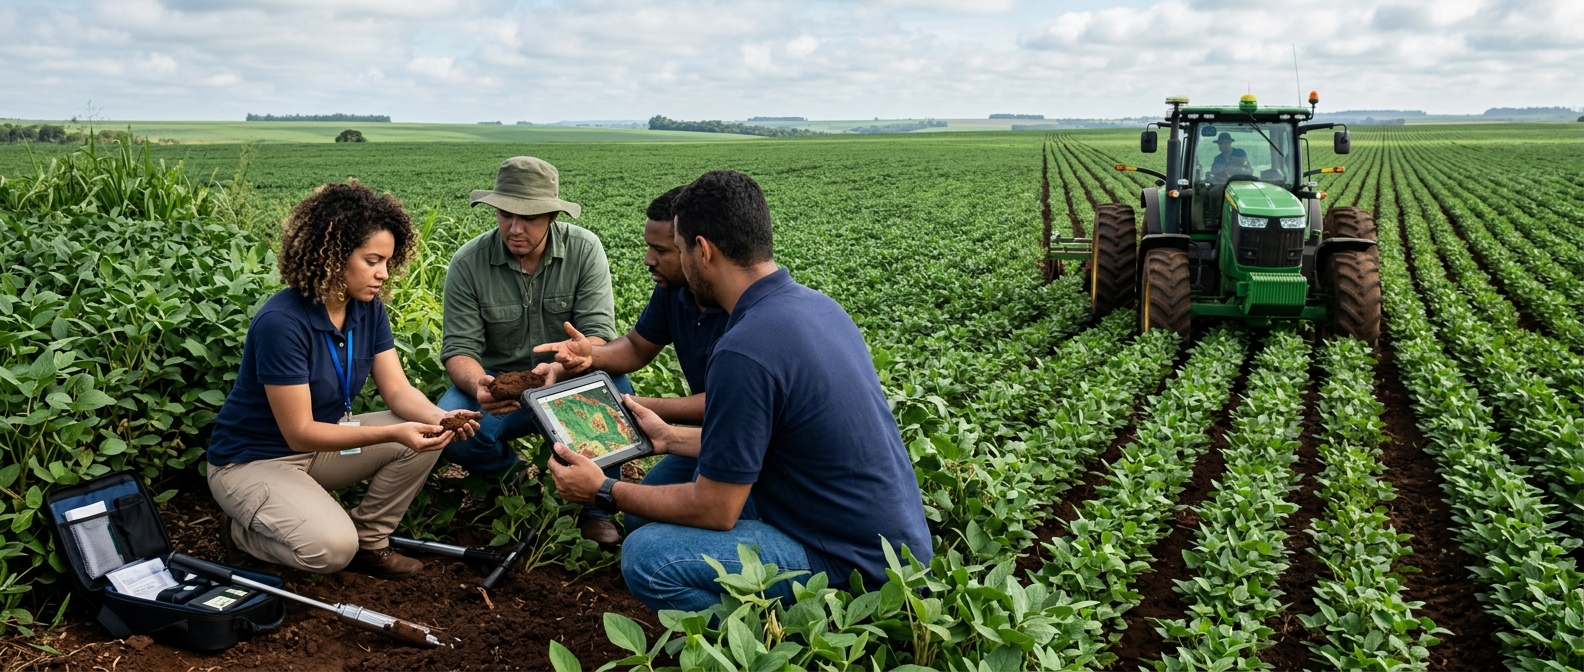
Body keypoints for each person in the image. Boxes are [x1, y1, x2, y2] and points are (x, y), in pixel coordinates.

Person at [548, 170, 933, 613]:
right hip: (895, 548)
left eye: (675, 247)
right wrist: (669, 438)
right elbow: (775, 442)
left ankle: (783, 640)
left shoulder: (744, 348)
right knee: (648, 511)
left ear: (703, 251)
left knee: (648, 556)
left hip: (853, 564)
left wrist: (602, 490)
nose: (659, 259)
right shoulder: (819, 307)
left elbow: (716, 509)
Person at [207, 181, 481, 580]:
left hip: (321, 447)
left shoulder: (367, 310)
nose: (383, 274)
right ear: (334, 256)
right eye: (372, 260)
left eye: (387, 261)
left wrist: (440, 419)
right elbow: (300, 432)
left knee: (424, 435)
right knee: (332, 550)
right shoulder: (281, 323)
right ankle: (241, 534)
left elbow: (398, 390)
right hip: (253, 461)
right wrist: (394, 433)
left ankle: (372, 542)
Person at [436, 156, 628, 546]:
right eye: (506, 214)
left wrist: (570, 360)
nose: (514, 227)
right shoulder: (469, 262)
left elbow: (597, 339)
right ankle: (517, 482)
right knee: (452, 422)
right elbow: (459, 349)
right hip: (500, 387)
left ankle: (596, 506)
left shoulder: (584, 250)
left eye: (530, 218)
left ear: (554, 216)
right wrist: (480, 385)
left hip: (565, 378)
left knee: (616, 389)